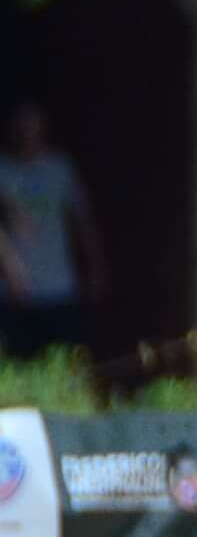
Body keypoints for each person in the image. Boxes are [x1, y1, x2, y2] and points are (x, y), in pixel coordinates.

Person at [0, 99, 107, 363]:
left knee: (66, 360)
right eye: (21, 123)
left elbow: (82, 219)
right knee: (20, 363)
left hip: (60, 285)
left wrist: (96, 265)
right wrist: (10, 267)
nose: (27, 130)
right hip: (18, 291)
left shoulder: (60, 168)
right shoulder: (3, 169)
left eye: (32, 122)